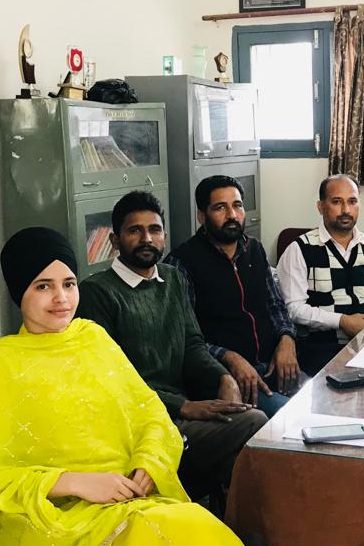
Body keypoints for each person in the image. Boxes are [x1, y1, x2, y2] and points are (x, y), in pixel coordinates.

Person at [0, 227, 272, 546]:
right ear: (19, 293)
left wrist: (149, 462)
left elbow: (150, 413)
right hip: (59, 523)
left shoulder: (93, 339)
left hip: (129, 502)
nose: (61, 298)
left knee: (196, 537)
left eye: (69, 284)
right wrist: (73, 482)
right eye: (43, 286)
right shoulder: (3, 364)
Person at [76, 191, 268, 496]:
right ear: (115, 241)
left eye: (154, 230)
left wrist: (223, 377)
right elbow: (111, 381)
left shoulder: (172, 279)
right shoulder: (97, 292)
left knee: (248, 447)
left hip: (183, 408)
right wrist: (183, 406)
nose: (147, 239)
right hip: (142, 423)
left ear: (164, 236)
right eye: (135, 231)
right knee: (254, 425)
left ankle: (223, 516)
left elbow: (192, 344)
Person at [167, 176, 299, 418]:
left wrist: (286, 340)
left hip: (272, 366)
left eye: (237, 206)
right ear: (201, 216)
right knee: (291, 418)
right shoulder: (182, 263)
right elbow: (184, 338)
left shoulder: (254, 249)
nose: (232, 215)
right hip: (228, 379)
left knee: (324, 399)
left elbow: (275, 305)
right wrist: (229, 357)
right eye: (220, 208)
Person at [277, 174, 364, 376]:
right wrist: (342, 321)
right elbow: (294, 309)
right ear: (320, 207)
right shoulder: (300, 249)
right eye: (337, 202)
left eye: (352, 201)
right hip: (321, 350)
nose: (346, 210)